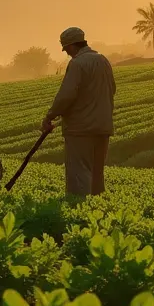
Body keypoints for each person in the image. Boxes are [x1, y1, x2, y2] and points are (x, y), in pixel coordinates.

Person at [42, 27, 116, 196]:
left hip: (80, 129)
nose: (67, 53)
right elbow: (112, 88)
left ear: (71, 46)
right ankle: (97, 212)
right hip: (103, 127)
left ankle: (78, 211)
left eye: (66, 48)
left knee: (79, 174)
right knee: (97, 174)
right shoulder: (103, 60)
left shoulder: (77, 64)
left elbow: (66, 96)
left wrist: (50, 116)